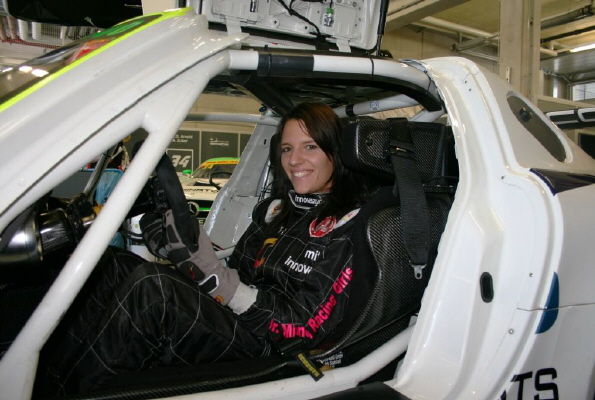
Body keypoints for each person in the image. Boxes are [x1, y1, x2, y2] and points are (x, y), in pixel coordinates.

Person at [35, 102, 376, 396]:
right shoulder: (276, 211)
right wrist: (179, 249)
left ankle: (71, 393)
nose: (295, 160)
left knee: (153, 290)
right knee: (115, 265)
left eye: (310, 146)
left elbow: (302, 328)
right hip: (241, 321)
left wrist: (218, 280)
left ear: (336, 153)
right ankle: (45, 383)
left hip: (276, 345)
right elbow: (237, 272)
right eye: (287, 149)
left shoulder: (349, 226)